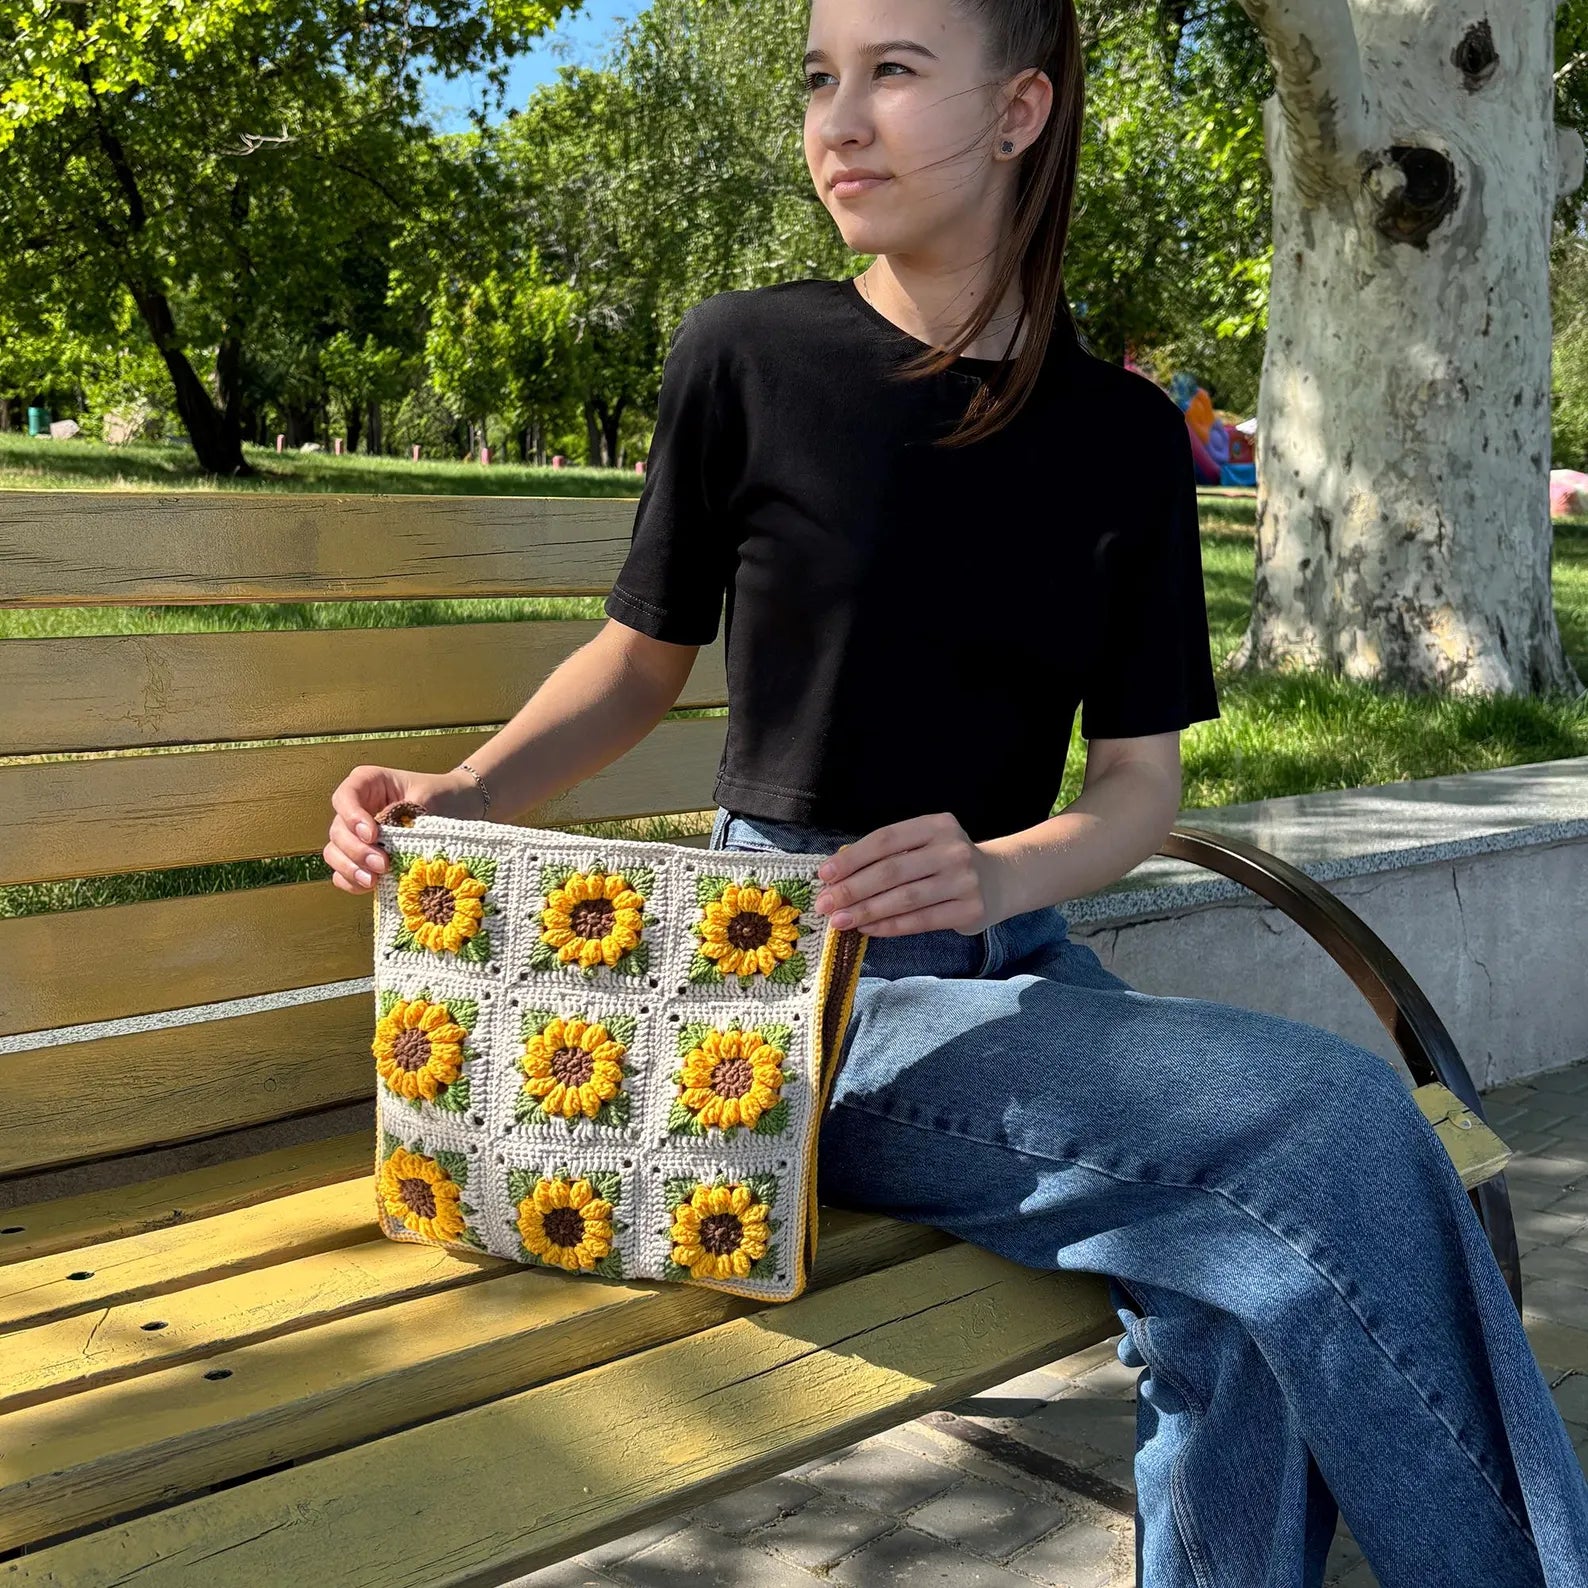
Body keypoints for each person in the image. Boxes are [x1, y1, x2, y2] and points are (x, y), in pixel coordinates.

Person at [324, 0, 1588, 1582]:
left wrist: (993, 881)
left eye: (893, 72)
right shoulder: (748, 354)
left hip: (1020, 974)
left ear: (1019, 111)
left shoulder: (1124, 437)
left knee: (1243, 1279)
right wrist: (465, 790)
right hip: (789, 991)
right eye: (819, 78)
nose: (837, 119)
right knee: (1326, 1127)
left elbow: (1133, 794)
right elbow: (638, 663)